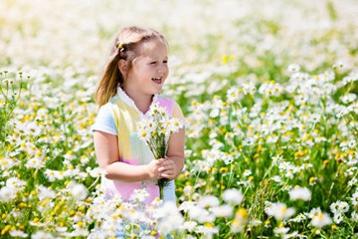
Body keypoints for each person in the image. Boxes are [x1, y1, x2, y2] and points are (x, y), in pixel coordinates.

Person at [91, 26, 185, 238]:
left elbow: (177, 155)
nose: (162, 69)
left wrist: (173, 167)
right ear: (124, 66)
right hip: (124, 213)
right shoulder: (110, 113)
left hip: (162, 212)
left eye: (165, 61)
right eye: (153, 63)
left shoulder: (170, 109)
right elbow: (108, 167)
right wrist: (147, 172)